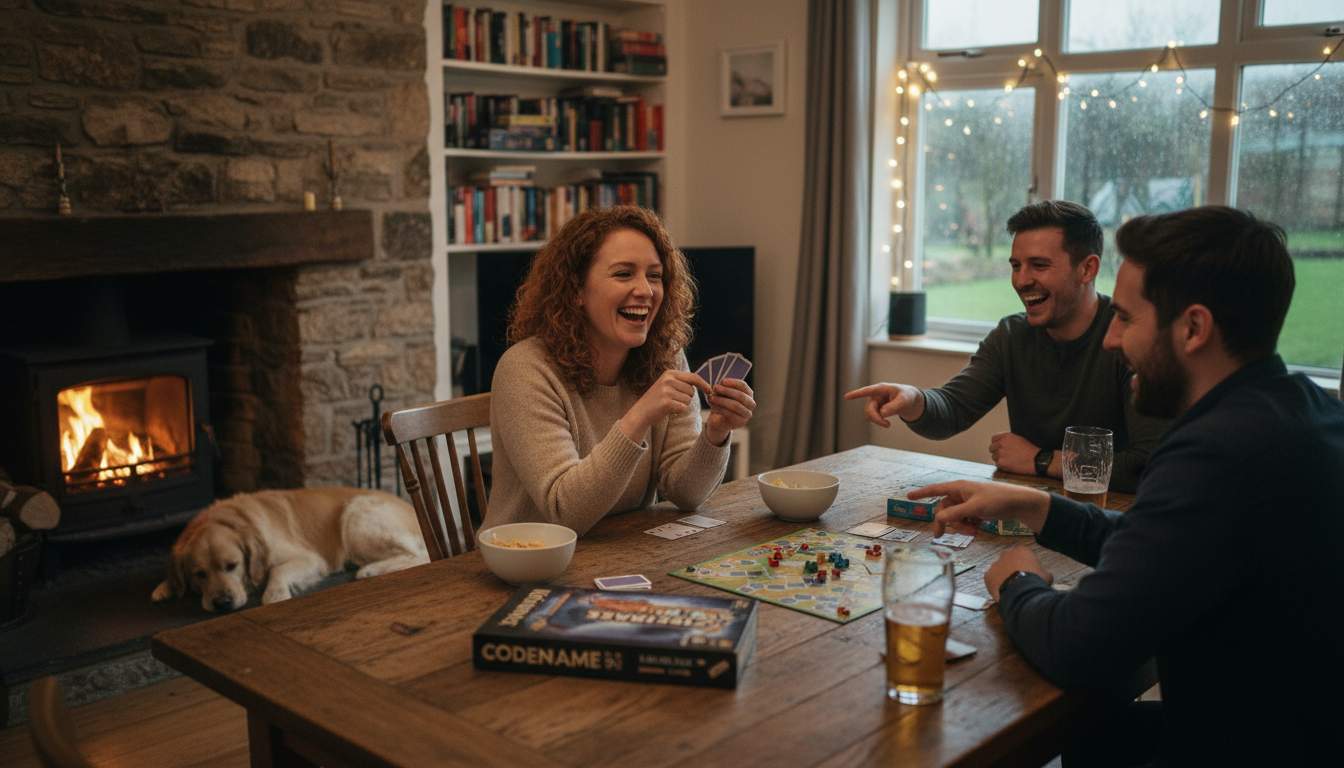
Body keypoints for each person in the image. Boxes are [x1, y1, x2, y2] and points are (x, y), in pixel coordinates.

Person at [910, 206, 1344, 765]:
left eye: (1127, 319)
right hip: (1295, 728)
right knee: (1096, 731)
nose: (1111, 340)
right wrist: (1042, 508)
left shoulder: (1215, 454)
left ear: (1193, 329)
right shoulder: (1299, 408)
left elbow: (1075, 646)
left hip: (1253, 745)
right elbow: (1163, 541)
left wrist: (1017, 580)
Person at [845, 200, 1167, 493]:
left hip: (1112, 523)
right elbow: (952, 410)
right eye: (1016, 265)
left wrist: (1041, 460)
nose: (1021, 280)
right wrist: (912, 399)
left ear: (1087, 268)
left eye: (1039, 265)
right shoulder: (1011, 335)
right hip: (1029, 516)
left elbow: (1148, 464)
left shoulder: (1129, 338)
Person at [484, 206, 755, 536]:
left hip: (624, 553)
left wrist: (715, 434)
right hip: (530, 563)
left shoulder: (666, 356)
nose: (645, 290)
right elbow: (564, 511)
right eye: (624, 274)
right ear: (576, 291)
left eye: (654, 276)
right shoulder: (525, 369)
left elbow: (686, 494)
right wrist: (638, 418)